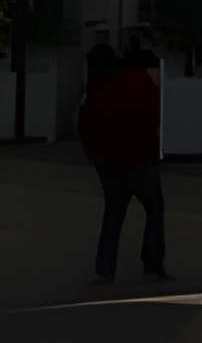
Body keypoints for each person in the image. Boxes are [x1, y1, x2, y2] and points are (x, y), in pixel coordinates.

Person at [79, 41, 167, 284]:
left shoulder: (99, 87)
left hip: (109, 163)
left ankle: (105, 269)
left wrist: (96, 158)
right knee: (154, 209)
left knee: (113, 214)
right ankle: (152, 262)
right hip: (140, 158)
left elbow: (86, 125)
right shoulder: (140, 83)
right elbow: (154, 115)